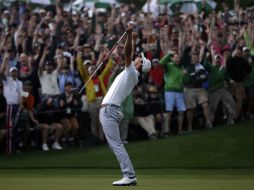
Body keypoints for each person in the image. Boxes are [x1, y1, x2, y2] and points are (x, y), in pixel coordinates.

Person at [99, 22, 151, 186]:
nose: (138, 57)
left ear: (140, 64)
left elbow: (128, 53)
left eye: (140, 58)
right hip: (110, 110)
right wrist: (132, 37)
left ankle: (129, 175)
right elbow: (130, 52)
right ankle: (129, 175)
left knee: (116, 144)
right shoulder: (132, 73)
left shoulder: (131, 72)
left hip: (109, 110)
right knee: (115, 144)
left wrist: (129, 35)